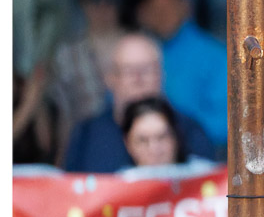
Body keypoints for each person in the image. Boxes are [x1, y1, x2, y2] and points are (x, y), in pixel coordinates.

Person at [62, 34, 214, 173]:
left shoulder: (189, 130)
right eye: (128, 71)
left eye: (146, 69)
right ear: (110, 78)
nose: (138, 79)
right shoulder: (86, 134)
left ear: (161, 74)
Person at [135, 0, 229, 147]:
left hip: (200, 153)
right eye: (155, 8)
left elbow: (225, 123)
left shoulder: (214, 55)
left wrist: (177, 132)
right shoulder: (139, 53)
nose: (162, 14)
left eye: (169, 6)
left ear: (186, 7)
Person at [48, 0, 128, 153]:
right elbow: (65, 115)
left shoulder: (141, 46)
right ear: (83, 2)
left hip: (136, 147)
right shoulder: (66, 54)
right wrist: (63, 159)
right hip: (85, 150)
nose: (103, 5)